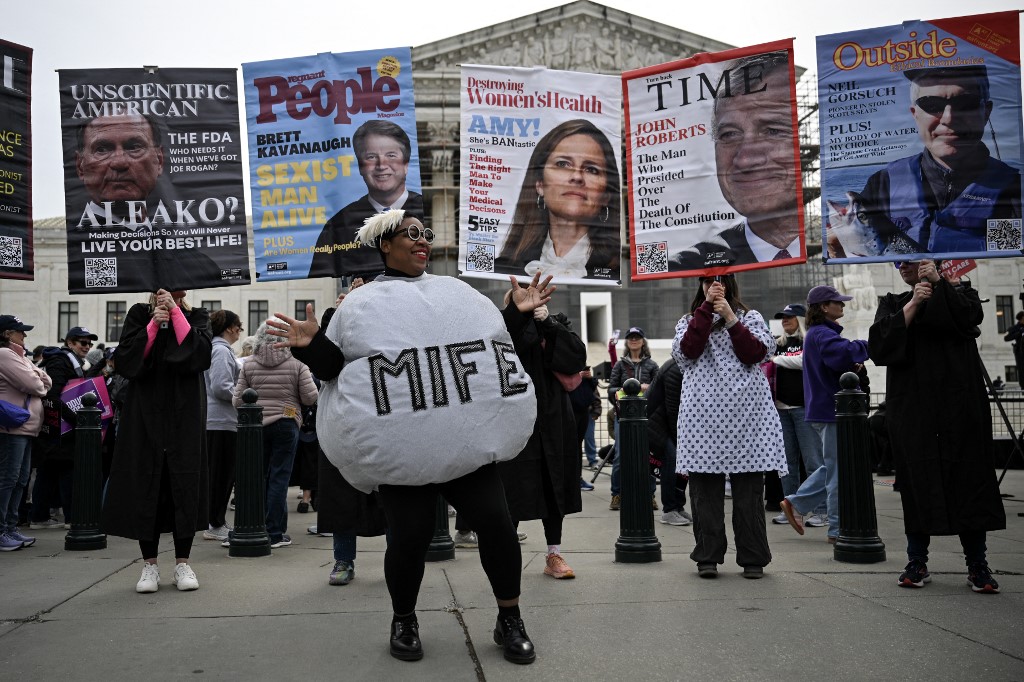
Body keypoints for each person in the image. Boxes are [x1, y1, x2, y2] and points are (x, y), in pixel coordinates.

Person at [268, 209, 548, 664]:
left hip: (464, 446)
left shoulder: (454, 292)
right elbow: (337, 371)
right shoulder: (358, 303)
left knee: (498, 525)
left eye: (427, 234)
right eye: (412, 234)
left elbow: (482, 347)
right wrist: (311, 345)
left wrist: (514, 317)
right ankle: (404, 619)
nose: (424, 242)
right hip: (402, 451)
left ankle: (509, 618)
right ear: (384, 243)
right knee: (409, 536)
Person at [869, 259, 1005, 593]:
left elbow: (968, 319)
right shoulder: (893, 303)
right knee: (917, 484)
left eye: (910, 262)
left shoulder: (960, 293)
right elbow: (880, 345)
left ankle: (977, 565)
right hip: (914, 407)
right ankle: (917, 561)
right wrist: (914, 302)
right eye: (898, 263)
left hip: (960, 405)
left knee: (969, 480)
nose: (902, 267)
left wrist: (942, 284)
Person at [673, 275, 786, 578]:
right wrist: (706, 312)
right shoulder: (689, 320)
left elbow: (756, 354)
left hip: (748, 416)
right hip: (703, 418)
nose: (714, 285)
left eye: (720, 280)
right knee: (704, 493)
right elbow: (688, 352)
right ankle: (707, 556)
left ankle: (753, 557)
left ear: (731, 284)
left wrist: (731, 318)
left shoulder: (751, 317)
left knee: (749, 493)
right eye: (707, 281)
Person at [101, 289, 211, 593]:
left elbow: (199, 355)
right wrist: (153, 325)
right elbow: (126, 360)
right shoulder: (139, 314)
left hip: (184, 408)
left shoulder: (196, 316)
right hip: (145, 408)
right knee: (145, 481)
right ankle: (149, 565)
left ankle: (182, 563)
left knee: (184, 481)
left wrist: (175, 314)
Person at [855, 66, 1021, 255]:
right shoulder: (882, 185)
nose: (949, 119)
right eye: (932, 105)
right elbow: (865, 253)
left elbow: (1009, 257)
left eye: (966, 104)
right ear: (914, 114)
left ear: (986, 112)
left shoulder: (1012, 191)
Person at [670, 51, 800, 271]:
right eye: (729, 134)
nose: (746, 159)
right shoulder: (685, 262)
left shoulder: (841, 240)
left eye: (772, 130)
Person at [71, 114, 228, 291]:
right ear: (80, 166)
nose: (119, 162)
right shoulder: (75, 255)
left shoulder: (198, 263)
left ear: (159, 161)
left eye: (134, 147)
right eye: (102, 149)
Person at [497, 289, 587, 580]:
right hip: (513, 415)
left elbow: (575, 359)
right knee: (512, 484)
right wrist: (516, 317)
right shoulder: (501, 327)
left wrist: (548, 323)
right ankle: (506, 554)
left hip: (553, 415)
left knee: (553, 483)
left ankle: (554, 553)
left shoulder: (554, 322)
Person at [779, 286, 869, 544]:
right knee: (838, 471)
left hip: (825, 409)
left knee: (832, 467)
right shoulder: (821, 334)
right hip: (831, 411)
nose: (842, 306)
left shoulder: (819, 334)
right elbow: (845, 353)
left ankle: (796, 503)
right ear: (823, 308)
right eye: (837, 302)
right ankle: (838, 529)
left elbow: (839, 359)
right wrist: (871, 345)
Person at [495, 119, 620, 281]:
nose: (576, 177)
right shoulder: (502, 268)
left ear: (606, 195)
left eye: (591, 169)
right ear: (539, 184)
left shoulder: (620, 269)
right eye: (563, 164)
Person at [231, 322, 318, 549]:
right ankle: (276, 532)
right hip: (286, 423)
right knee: (280, 478)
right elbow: (310, 397)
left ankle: (257, 526)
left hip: (257, 427)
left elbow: (238, 400)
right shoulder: (297, 364)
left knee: (258, 478)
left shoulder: (248, 365)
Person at [309, 121, 425, 278]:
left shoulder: (428, 211)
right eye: (371, 157)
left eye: (391, 155)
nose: (381, 165)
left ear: (406, 163)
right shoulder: (337, 225)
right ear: (360, 166)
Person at [31, 325, 98, 530]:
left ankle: (40, 517)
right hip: (60, 427)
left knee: (49, 470)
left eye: (89, 343)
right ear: (70, 343)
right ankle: (70, 518)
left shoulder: (71, 361)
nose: (87, 346)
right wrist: (77, 419)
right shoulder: (61, 361)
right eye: (82, 342)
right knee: (66, 469)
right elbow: (53, 395)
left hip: (58, 426)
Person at [766, 304, 826, 527]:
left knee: (813, 462)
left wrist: (776, 360)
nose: (785, 321)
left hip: (803, 409)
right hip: (781, 410)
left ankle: (822, 510)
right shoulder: (778, 344)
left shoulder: (807, 341)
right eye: (783, 318)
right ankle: (792, 509)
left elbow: (804, 362)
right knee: (787, 464)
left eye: (790, 318)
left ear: (800, 319)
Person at [0, 315, 51, 550]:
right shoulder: (5, 355)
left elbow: (44, 379)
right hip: (12, 427)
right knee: (8, 479)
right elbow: (35, 384)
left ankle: (10, 527)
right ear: (7, 334)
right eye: (20, 331)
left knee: (19, 480)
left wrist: (38, 378)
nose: (25, 335)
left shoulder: (19, 355)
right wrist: (38, 379)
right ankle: (2, 530)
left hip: (25, 427)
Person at [607, 326, 659, 510]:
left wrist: (647, 387)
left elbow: (658, 389)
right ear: (627, 342)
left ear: (643, 341)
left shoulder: (652, 365)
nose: (634, 340)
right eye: (631, 338)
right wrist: (623, 390)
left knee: (648, 456)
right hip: (623, 416)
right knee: (620, 456)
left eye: (637, 337)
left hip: (646, 417)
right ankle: (617, 494)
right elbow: (611, 390)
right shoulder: (619, 365)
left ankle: (650, 494)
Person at [202, 310, 242, 543]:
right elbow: (221, 386)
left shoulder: (217, 349)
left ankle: (215, 520)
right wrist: (245, 399)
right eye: (238, 326)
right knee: (220, 474)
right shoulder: (220, 351)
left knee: (219, 474)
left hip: (218, 420)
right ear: (229, 328)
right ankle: (215, 522)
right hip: (221, 421)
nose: (240, 331)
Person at [646, 358, 691, 526]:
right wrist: (679, 439)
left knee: (680, 466)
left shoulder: (682, 365)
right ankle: (669, 510)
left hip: (663, 422)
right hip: (656, 423)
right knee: (672, 461)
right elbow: (674, 409)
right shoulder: (675, 368)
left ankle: (678, 507)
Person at [1005, 311, 1024, 390]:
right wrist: (1019, 333)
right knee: (1022, 369)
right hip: (1020, 352)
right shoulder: (1016, 328)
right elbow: (1007, 338)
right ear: (1020, 319)